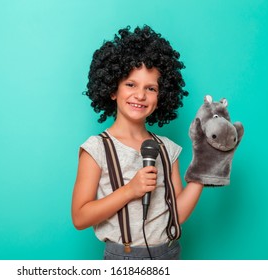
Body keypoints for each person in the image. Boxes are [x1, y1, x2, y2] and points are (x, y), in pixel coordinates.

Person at [71, 25, 203, 260]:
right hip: (124, 258)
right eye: (131, 84)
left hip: (169, 254)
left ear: (161, 96)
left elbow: (176, 215)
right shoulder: (96, 149)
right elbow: (80, 218)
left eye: (150, 88)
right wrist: (130, 190)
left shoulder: (166, 149)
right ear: (112, 89)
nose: (140, 95)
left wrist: (204, 170)